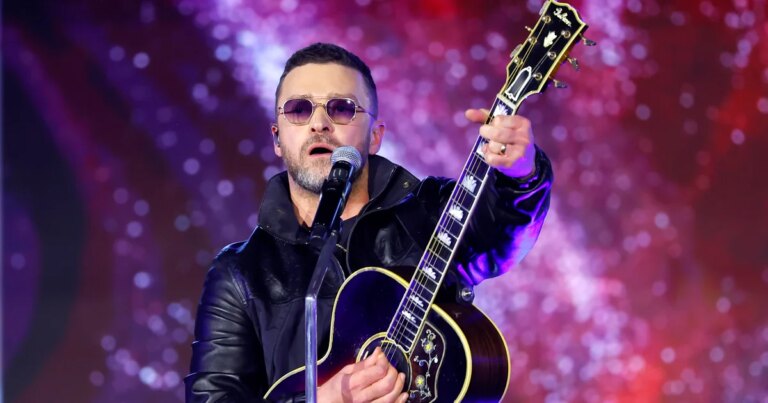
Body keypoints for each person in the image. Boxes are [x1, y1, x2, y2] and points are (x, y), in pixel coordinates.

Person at [185, 42, 552, 402]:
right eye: (299, 109)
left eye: (341, 108)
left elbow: (500, 232)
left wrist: (521, 176)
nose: (319, 124)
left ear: (375, 137)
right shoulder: (240, 272)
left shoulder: (431, 211)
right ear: (277, 138)